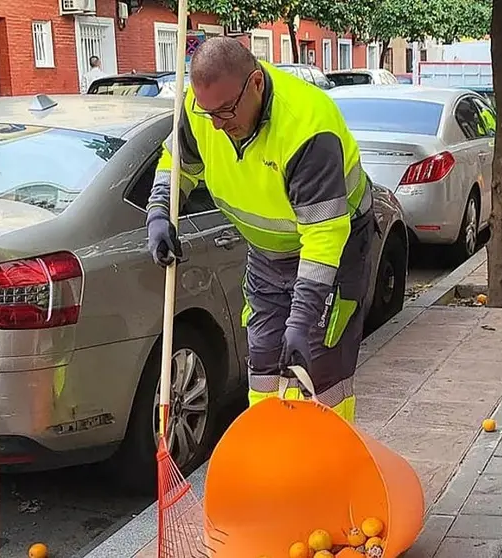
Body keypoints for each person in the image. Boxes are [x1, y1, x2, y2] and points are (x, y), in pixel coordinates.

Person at [145, 37, 376, 423]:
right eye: (209, 113)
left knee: (318, 369)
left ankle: (332, 469)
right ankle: (269, 463)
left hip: (335, 248)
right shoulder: (201, 111)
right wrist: (159, 211)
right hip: (268, 254)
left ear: (255, 83)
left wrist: (302, 321)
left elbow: (323, 237)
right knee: (266, 361)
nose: (218, 125)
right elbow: (177, 162)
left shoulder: (306, 127)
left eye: (226, 111)